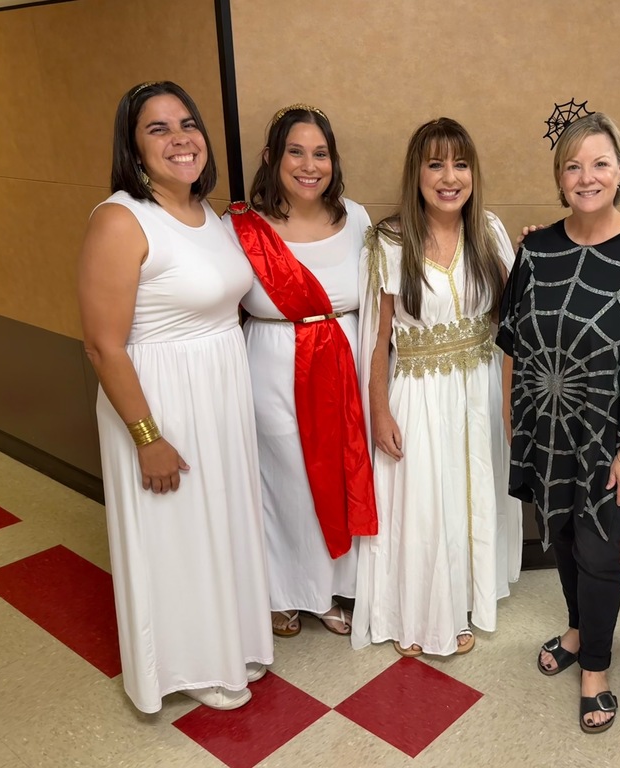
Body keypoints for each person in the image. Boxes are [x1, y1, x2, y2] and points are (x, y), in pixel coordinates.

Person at [78, 81, 272, 713]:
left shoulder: (208, 213)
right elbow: (103, 345)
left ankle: (230, 640)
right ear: (132, 148)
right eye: (157, 129)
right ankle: (185, 662)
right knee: (177, 530)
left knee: (217, 521)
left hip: (216, 387)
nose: (180, 138)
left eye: (187, 123)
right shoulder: (120, 219)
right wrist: (147, 438)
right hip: (159, 399)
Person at [497, 113, 620, 734]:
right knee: (567, 539)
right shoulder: (536, 248)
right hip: (545, 425)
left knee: (601, 550)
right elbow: (514, 344)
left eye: (600, 163)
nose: (587, 177)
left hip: (608, 433)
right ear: (559, 176)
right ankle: (577, 630)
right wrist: (512, 421)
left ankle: (596, 669)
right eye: (573, 166)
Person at [352, 117, 521, 658]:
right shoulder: (387, 241)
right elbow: (378, 341)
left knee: (470, 492)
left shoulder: (488, 231)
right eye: (435, 164)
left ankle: (465, 599)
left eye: (461, 164)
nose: (450, 177)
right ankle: (421, 613)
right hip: (418, 393)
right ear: (416, 173)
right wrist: (379, 411)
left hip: (479, 385)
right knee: (424, 505)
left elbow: (511, 319)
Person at [223, 104, 377, 640]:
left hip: (345, 356)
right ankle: (284, 592)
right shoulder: (239, 226)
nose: (309, 165)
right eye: (295, 152)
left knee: (343, 471)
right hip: (272, 363)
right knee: (287, 479)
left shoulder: (356, 218)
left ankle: (333, 590)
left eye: (320, 153)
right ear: (271, 157)